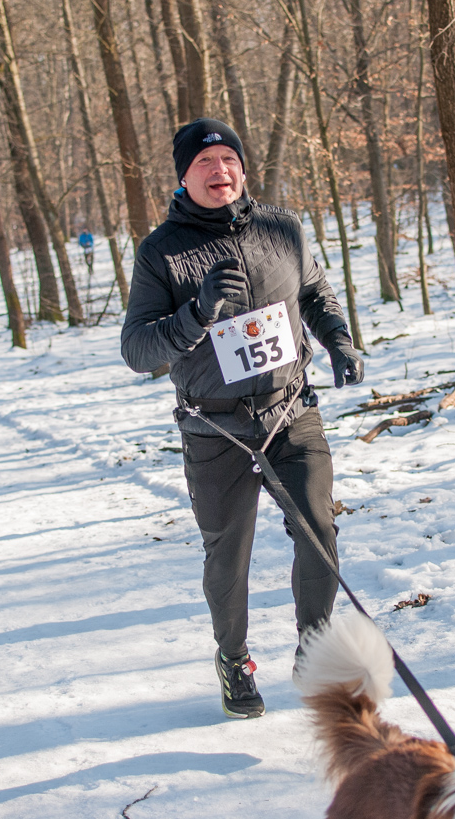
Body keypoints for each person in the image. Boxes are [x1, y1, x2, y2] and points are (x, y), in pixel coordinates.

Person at [121, 118, 364, 719]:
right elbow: (138, 352)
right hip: (215, 427)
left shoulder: (282, 228)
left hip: (290, 412)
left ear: (243, 168)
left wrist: (338, 340)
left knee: (318, 532)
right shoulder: (161, 253)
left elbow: (315, 292)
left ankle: (314, 650)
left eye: (228, 159)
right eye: (204, 163)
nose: (219, 171)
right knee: (228, 552)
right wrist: (197, 313)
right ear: (183, 176)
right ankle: (233, 659)